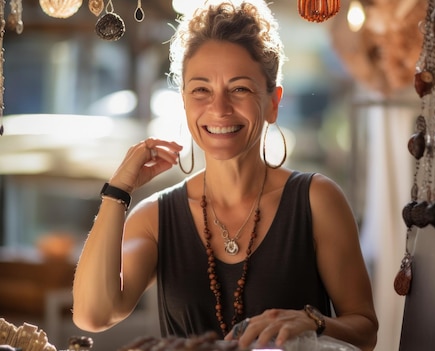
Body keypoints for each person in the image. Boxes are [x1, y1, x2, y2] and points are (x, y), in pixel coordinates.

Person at [71, 0, 378, 350]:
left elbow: (366, 330)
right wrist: (117, 191)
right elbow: (93, 315)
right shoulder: (156, 219)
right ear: (184, 101)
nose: (219, 108)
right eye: (201, 90)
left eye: (240, 89)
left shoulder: (316, 200)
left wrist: (313, 322)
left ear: (273, 103)